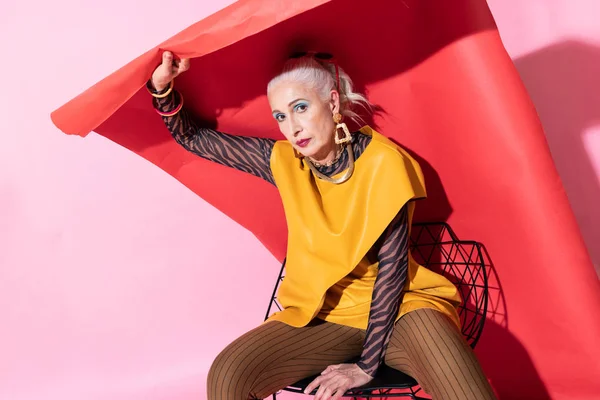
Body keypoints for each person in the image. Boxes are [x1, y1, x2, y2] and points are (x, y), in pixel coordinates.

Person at [147, 50, 497, 400]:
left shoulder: (384, 163)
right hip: (324, 316)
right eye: (281, 116)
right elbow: (194, 139)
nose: (292, 127)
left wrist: (365, 366)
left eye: (301, 108)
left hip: (402, 309)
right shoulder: (284, 162)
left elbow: (392, 271)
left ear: (332, 103)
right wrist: (163, 90)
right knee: (228, 376)